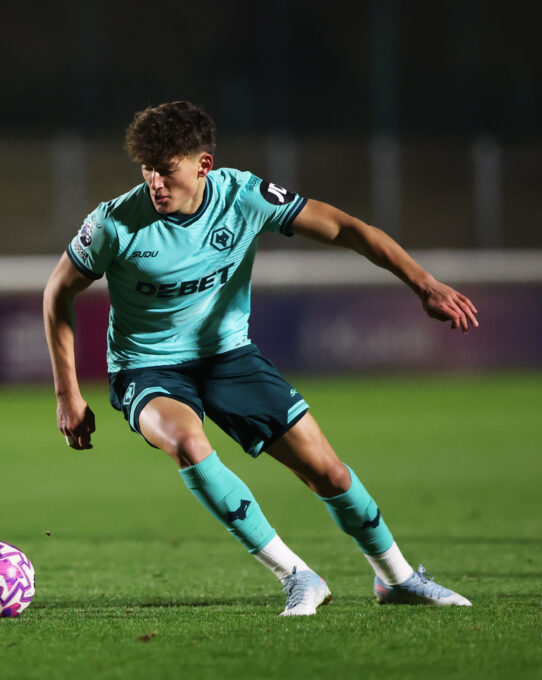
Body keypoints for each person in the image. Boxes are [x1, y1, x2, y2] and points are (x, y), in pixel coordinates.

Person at [43, 101, 479, 616]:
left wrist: (423, 284)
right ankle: (297, 575)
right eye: (148, 169)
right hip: (146, 367)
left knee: (329, 474)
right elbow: (57, 294)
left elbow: (345, 228)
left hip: (229, 356)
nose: (155, 182)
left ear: (203, 164)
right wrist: (68, 394)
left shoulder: (244, 196)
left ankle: (397, 579)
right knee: (186, 441)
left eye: (168, 170)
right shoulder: (115, 222)